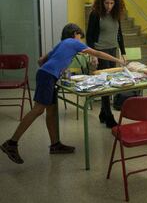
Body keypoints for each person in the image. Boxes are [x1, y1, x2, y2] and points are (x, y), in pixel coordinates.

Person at [1, 23, 126, 164]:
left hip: (46, 75)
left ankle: (55, 145)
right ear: (74, 34)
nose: (80, 40)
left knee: (52, 110)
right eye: (79, 37)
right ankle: (11, 143)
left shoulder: (61, 44)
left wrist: (55, 70)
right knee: (38, 110)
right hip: (48, 76)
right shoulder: (73, 42)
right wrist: (118, 60)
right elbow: (97, 53)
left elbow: (40, 60)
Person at [86, 0, 127, 128]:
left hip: (113, 50)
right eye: (106, 3)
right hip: (100, 51)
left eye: (111, 3)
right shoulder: (95, 14)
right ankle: (109, 116)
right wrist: (93, 55)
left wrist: (123, 52)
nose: (109, 6)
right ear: (101, 2)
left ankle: (103, 113)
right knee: (105, 85)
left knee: (111, 82)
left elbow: (119, 34)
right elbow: (89, 36)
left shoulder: (116, 14)